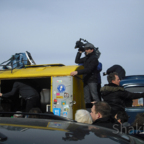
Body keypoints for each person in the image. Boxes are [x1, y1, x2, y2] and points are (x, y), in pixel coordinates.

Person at [70, 43, 100, 107]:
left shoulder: (94, 58)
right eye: (85, 49)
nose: (85, 50)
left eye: (87, 49)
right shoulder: (86, 58)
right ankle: (89, 112)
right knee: (86, 98)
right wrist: (79, 52)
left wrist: (77, 72)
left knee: (95, 97)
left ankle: (99, 112)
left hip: (92, 80)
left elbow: (89, 69)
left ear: (92, 50)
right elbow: (77, 61)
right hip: (86, 79)